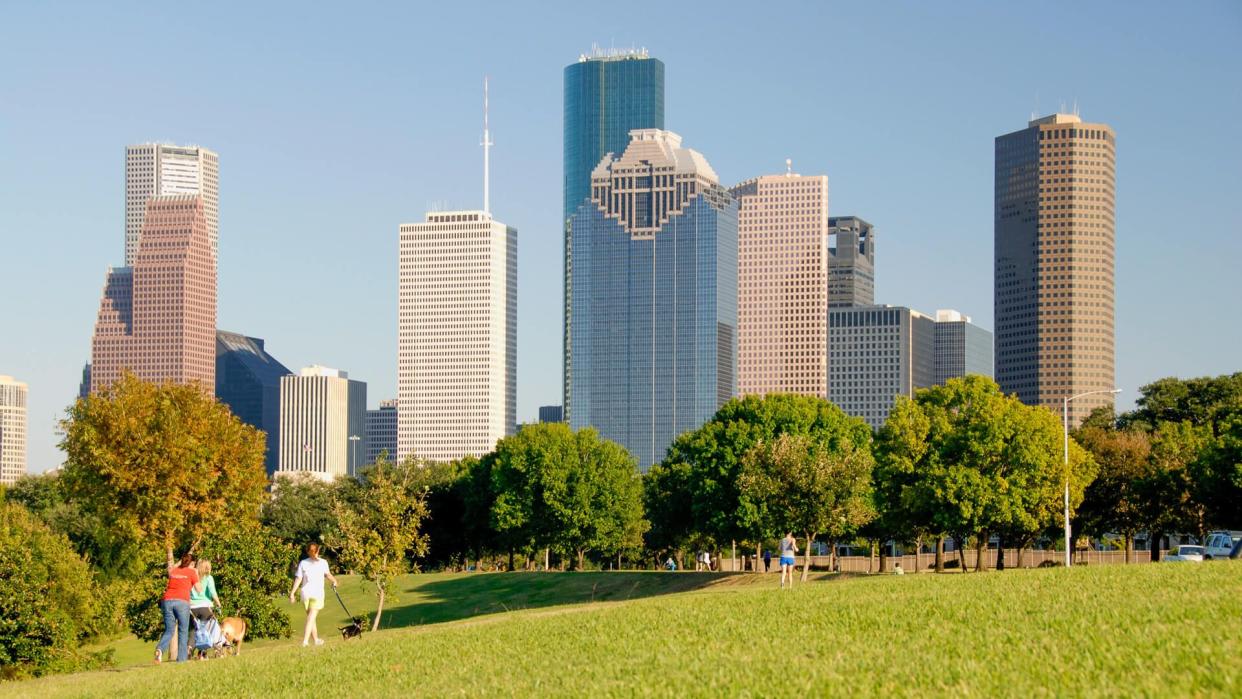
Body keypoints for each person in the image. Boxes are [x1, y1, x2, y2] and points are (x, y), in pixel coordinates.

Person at [289, 543, 338, 647]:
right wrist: (334, 581)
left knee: (311, 617)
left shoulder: (303, 563)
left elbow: (298, 579)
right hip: (317, 593)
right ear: (318, 551)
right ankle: (305, 641)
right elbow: (328, 575)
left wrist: (292, 593)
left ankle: (316, 640)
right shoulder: (323, 562)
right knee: (311, 617)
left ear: (307, 551)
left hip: (305, 593)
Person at [155, 548, 199, 663]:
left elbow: (172, 580)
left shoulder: (174, 571)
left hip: (167, 600)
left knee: (169, 629)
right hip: (182, 601)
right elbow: (199, 590)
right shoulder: (192, 572)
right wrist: (196, 574)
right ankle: (181, 660)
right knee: (183, 630)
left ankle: (160, 650)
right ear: (191, 563)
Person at [189, 559, 222, 659]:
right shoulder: (209, 578)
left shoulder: (192, 577)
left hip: (192, 608)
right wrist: (219, 604)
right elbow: (213, 593)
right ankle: (211, 651)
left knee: (194, 631)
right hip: (205, 607)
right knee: (209, 630)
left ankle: (189, 651)